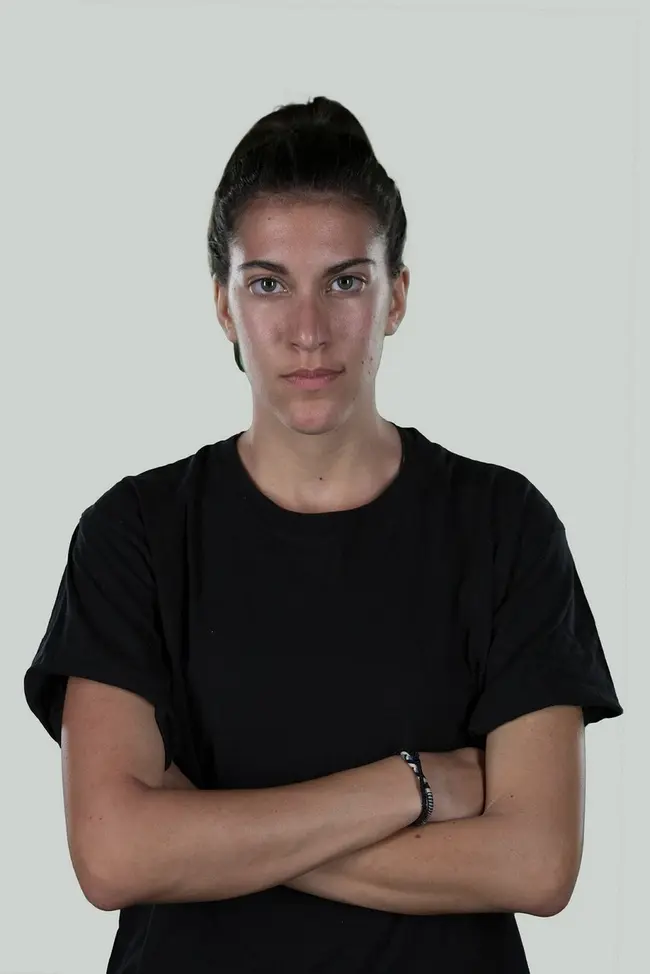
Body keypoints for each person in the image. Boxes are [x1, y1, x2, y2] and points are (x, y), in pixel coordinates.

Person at [24, 95, 623, 974]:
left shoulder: (504, 526)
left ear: (396, 296)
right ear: (224, 305)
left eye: (345, 281)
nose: (308, 332)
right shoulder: (133, 536)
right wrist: (416, 785)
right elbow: (114, 857)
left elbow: (537, 864)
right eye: (268, 283)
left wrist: (203, 836)